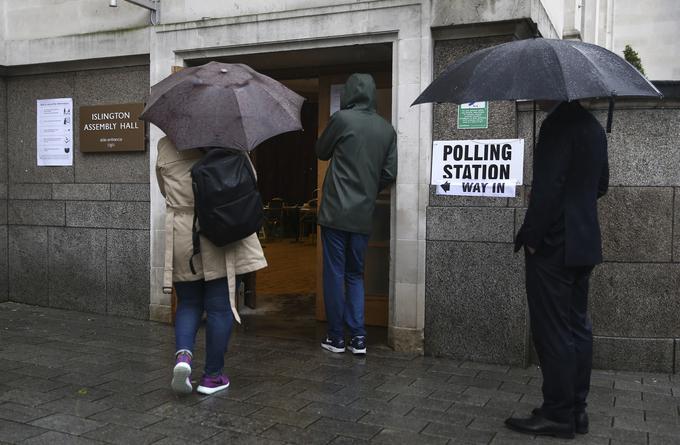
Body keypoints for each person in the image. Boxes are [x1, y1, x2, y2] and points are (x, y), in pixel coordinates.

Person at [506, 100, 609, 439]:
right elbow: (601, 186)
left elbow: (547, 192)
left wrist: (532, 237)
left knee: (553, 331)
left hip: (554, 247)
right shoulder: (593, 128)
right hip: (584, 242)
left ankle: (557, 413)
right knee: (577, 327)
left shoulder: (556, 126)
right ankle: (576, 411)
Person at [156, 137, 267, 395]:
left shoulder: (165, 145)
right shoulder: (230, 143)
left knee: (188, 302)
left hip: (183, 234)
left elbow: (164, 189)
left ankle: (183, 358)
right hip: (219, 230)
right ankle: (212, 377)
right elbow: (251, 180)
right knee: (219, 306)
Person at [315, 73, 397, 355]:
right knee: (355, 275)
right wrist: (369, 191)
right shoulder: (387, 130)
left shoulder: (341, 119)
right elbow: (389, 173)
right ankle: (359, 338)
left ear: (349, 93)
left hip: (335, 211)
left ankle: (337, 338)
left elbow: (321, 151)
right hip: (363, 213)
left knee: (334, 273)